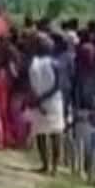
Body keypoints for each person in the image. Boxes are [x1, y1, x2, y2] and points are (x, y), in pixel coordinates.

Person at [26, 34, 64, 173]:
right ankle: (54, 168)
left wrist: (37, 99)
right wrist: (43, 98)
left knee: (40, 132)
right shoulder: (55, 63)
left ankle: (45, 165)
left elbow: (30, 84)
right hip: (53, 100)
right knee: (56, 133)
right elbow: (57, 85)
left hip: (38, 100)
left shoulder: (33, 63)